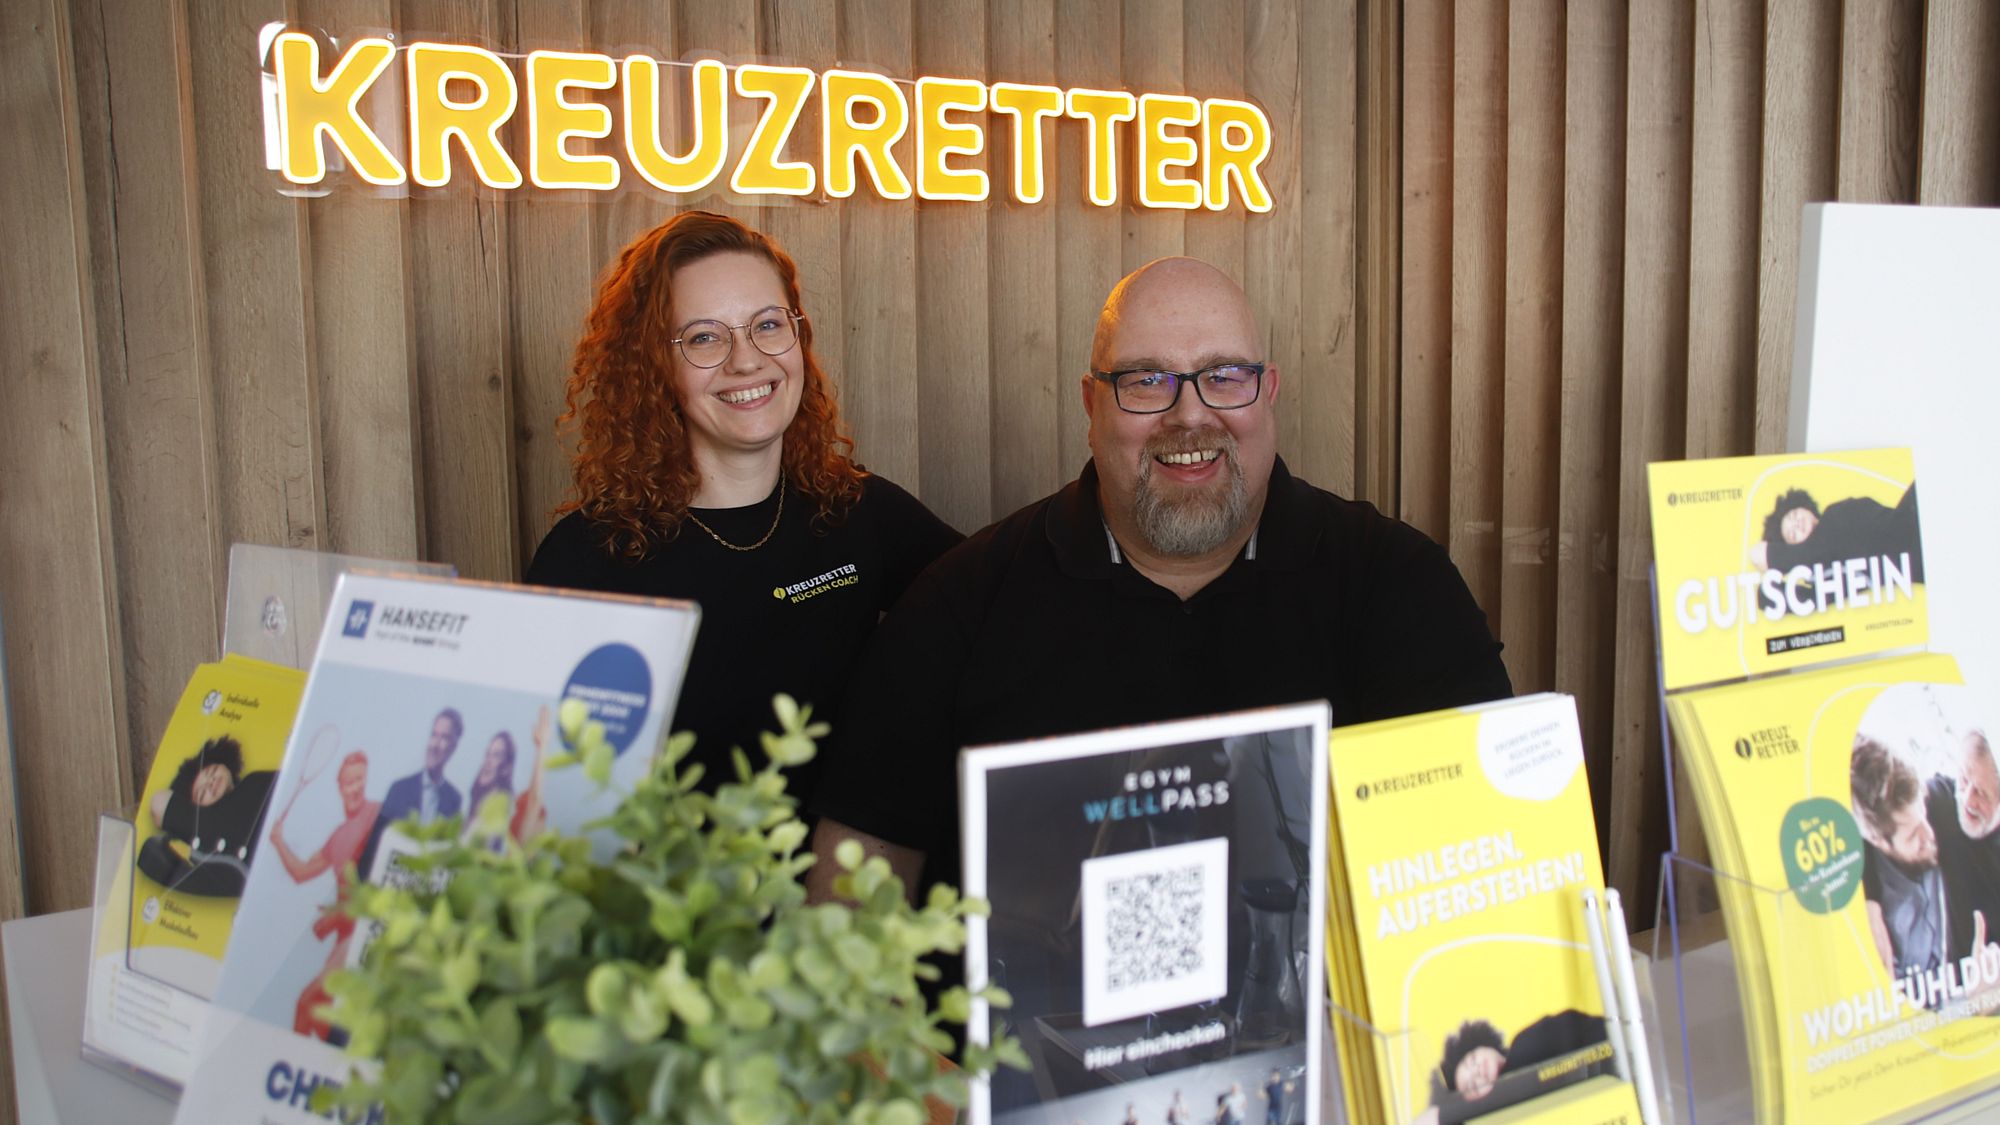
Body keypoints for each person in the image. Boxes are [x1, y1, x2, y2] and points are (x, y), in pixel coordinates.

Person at [807, 256, 1510, 901]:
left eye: (1224, 376)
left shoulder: (1398, 583)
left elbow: (1485, 856)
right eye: (1147, 380)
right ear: (1092, 405)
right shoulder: (958, 602)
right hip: (1018, 1041)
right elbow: (853, 893)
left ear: (1268, 392)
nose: (1190, 413)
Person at [526, 211, 961, 798]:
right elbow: (558, 790)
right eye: (705, 337)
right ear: (655, 368)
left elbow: (998, 611)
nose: (747, 359)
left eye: (767, 325)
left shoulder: (861, 510)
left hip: (856, 879)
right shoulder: (589, 558)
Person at [267, 751, 380, 1042]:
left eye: (359, 780)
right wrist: (279, 842)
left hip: (366, 929)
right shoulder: (337, 835)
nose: (354, 788)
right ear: (339, 787)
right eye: (348, 782)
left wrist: (338, 913)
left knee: (308, 1005)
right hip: (345, 936)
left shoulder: (376, 815)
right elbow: (301, 872)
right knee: (320, 1015)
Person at [1854, 735, 1953, 989]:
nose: (1929, 836)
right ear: (1879, 841)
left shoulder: (1944, 803)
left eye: (1924, 814)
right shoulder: (1859, 891)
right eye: (1912, 835)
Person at [138, 735, 278, 897]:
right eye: (202, 792)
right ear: (194, 810)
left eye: (211, 771)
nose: (211, 783)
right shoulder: (209, 840)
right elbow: (158, 804)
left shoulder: (255, 780)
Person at [1922, 729, 2000, 960]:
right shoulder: (1943, 799)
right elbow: (1895, 795)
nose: (1967, 799)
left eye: (1982, 794)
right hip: (1947, 985)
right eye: (1964, 780)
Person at [359, 707, 464, 878]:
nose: (435, 745)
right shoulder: (399, 789)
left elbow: (446, 861)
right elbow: (372, 851)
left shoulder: (454, 800)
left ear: (454, 746)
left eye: (444, 737)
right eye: (434, 735)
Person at [1430, 1010, 1607, 1109]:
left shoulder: (1524, 1044)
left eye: (1472, 1060)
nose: (1477, 1071)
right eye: (1472, 1085)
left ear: (1481, 1045)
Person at [1749, 483, 1923, 582]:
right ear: (1791, 548)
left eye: (1794, 515)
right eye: (1792, 533)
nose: (1797, 523)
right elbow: (1757, 555)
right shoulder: (1821, 567)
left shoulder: (1834, 513)